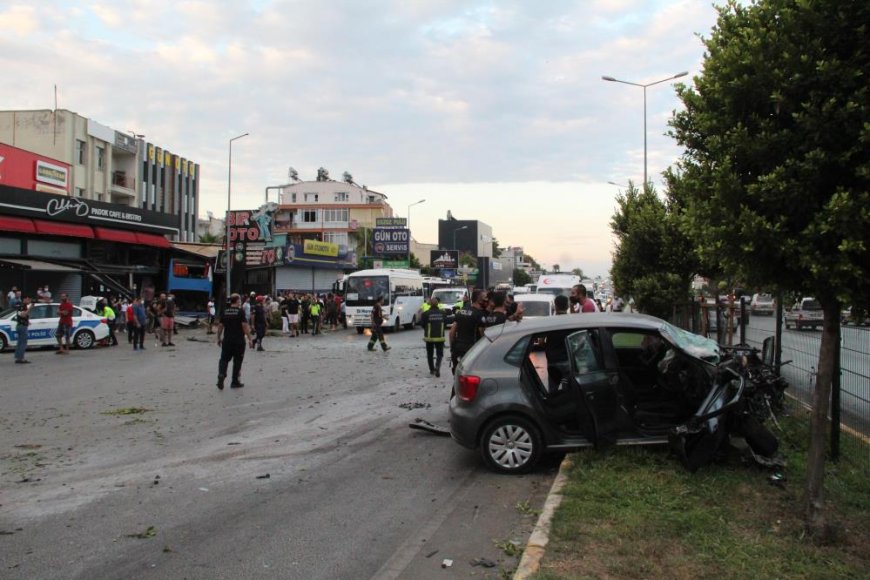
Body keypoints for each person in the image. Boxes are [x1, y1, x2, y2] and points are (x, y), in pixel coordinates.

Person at [216, 293, 254, 389]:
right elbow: (244, 326)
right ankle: (235, 381)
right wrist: (250, 339)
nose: (240, 301)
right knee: (237, 361)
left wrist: (218, 338)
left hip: (227, 340)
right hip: (238, 341)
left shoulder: (225, 311)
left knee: (224, 359)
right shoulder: (240, 312)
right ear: (237, 301)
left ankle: (221, 374)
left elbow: (220, 326)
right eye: (240, 300)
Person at [449, 289, 488, 373]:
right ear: (479, 299)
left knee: (458, 374)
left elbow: (451, 332)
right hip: (472, 350)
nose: (487, 300)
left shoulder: (461, 311)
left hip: (458, 348)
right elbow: (482, 335)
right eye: (485, 297)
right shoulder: (479, 314)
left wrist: (452, 347)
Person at [421, 296, 447, 377]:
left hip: (429, 338)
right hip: (440, 337)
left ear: (429, 304)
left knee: (430, 354)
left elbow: (422, 325)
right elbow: (445, 324)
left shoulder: (425, 314)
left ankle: (432, 370)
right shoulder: (443, 313)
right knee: (440, 354)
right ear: (438, 304)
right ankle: (437, 366)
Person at [14, 295, 31, 363]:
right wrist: (30, 308)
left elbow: (20, 316)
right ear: (25, 299)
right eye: (28, 299)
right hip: (22, 326)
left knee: (20, 342)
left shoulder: (20, 306)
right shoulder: (23, 306)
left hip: (20, 325)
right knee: (23, 343)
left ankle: (18, 357)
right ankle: (21, 358)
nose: (29, 301)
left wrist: (28, 321)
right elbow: (23, 315)